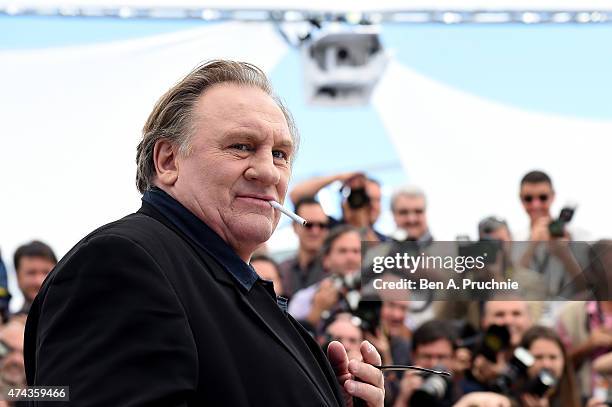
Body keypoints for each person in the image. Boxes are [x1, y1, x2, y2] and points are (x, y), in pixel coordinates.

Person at [24, 60, 384, 406]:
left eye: (279, 154)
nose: (269, 172)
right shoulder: (121, 264)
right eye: (241, 146)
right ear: (168, 161)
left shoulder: (227, 284)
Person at [288, 225, 362, 327]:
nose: (350, 258)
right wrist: (317, 310)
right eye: (342, 251)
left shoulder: (378, 294)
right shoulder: (303, 299)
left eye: (356, 251)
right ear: (326, 259)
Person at [278, 196, 329, 297]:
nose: (315, 231)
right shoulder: (281, 271)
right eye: (308, 225)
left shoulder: (336, 268)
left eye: (321, 225)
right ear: (294, 226)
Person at [518, 326, 581, 407]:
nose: (546, 364)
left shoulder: (580, 400)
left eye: (553, 357)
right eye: (538, 357)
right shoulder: (507, 400)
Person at [12, 240, 56, 315]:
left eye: (46, 272)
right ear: (18, 277)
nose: (39, 281)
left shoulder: (77, 317)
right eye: (31, 273)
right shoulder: (6, 323)